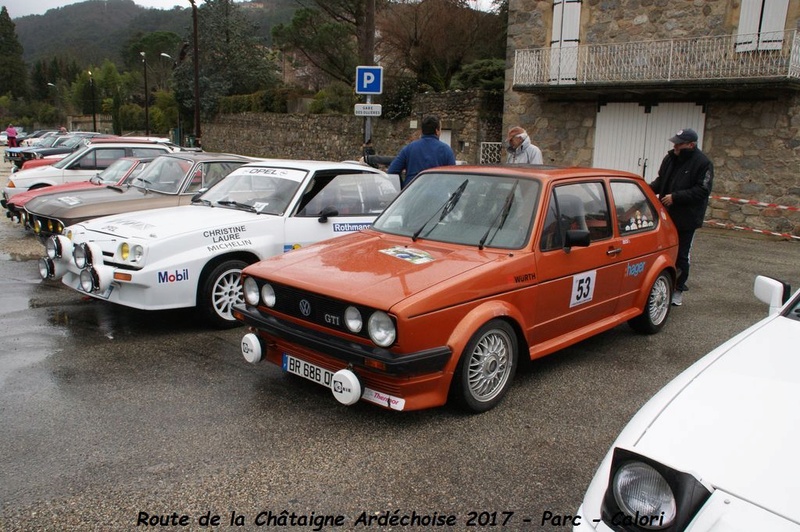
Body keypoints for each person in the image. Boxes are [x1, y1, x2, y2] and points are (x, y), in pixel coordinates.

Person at [649, 128, 713, 306]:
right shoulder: (670, 158)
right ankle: (660, 285)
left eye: (679, 143)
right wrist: (645, 191)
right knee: (659, 251)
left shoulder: (703, 163)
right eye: (675, 142)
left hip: (687, 218)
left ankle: (678, 289)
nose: (675, 146)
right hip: (665, 216)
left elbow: (702, 190)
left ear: (691, 145)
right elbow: (660, 181)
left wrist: (676, 197)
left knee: (681, 255)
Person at [388, 114, 456, 187]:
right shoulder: (446, 150)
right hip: (437, 195)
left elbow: (392, 171)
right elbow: (453, 177)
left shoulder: (409, 148)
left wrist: (404, 188)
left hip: (412, 194)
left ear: (422, 131)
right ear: (437, 131)